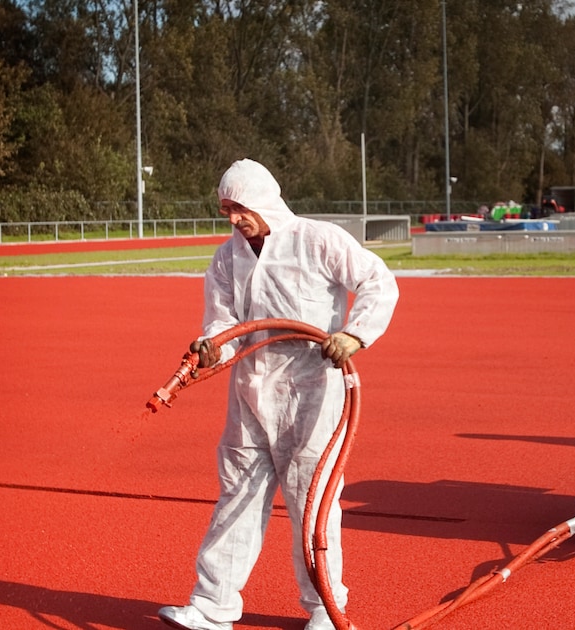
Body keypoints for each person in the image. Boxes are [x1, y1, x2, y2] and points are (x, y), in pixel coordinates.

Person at [158, 159, 399, 630]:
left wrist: (355, 333)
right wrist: (212, 349)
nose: (233, 218)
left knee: (313, 503)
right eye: (226, 209)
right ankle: (211, 608)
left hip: (312, 392)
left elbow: (377, 280)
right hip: (250, 393)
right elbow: (224, 322)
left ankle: (325, 610)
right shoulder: (227, 257)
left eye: (239, 207)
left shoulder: (316, 239)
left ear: (264, 201)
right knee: (237, 497)